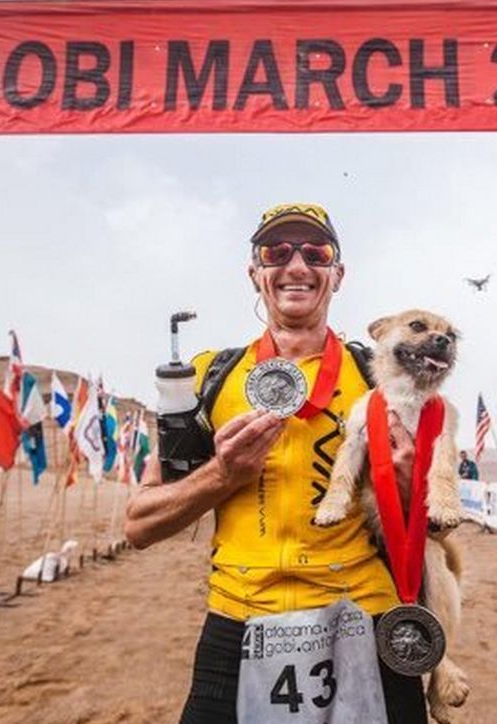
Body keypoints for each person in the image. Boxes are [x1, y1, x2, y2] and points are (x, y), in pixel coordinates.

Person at [125, 203, 429, 723]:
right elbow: (141, 524)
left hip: (364, 618)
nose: (296, 265)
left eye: (316, 252)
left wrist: (407, 481)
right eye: (276, 252)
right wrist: (224, 474)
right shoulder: (207, 378)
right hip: (238, 618)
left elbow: (437, 527)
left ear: (338, 273)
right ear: (254, 272)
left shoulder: (381, 380)